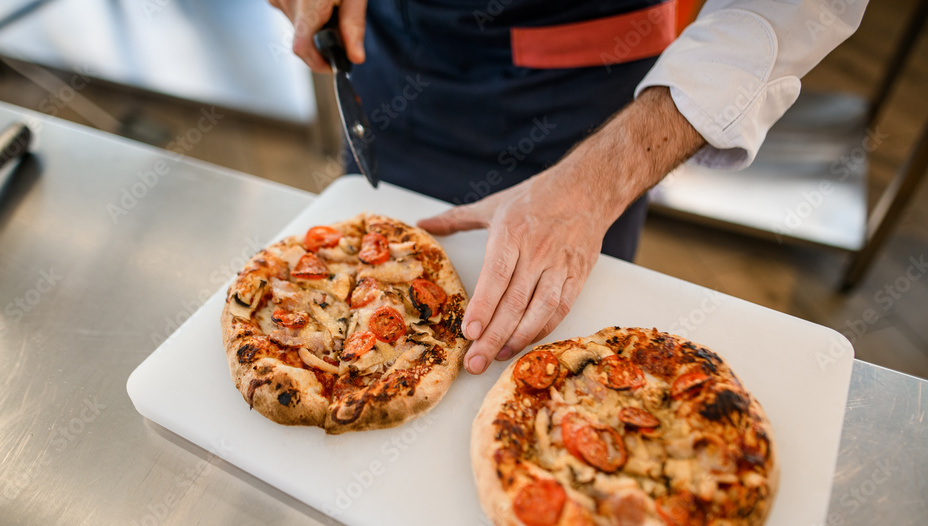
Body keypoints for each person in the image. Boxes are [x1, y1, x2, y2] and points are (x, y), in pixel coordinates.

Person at [270, 0, 867, 375]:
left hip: (592, 84)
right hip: (391, 53)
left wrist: (599, 181)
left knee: (560, 355)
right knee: (350, 286)